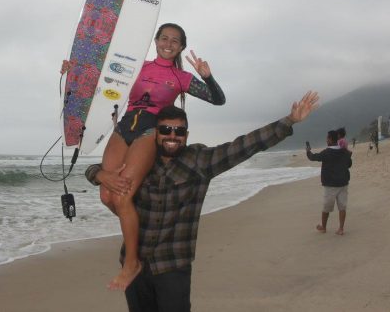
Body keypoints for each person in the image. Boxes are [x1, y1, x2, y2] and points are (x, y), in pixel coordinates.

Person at [85, 91, 319, 311]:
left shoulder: (200, 161)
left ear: (186, 135)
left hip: (173, 266)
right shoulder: (140, 160)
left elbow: (245, 145)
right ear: (155, 133)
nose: (172, 136)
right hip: (134, 263)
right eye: (166, 129)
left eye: (179, 131)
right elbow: (98, 168)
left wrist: (289, 121)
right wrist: (99, 175)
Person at [62, 23, 226, 290]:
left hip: (151, 129)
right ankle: (142, 227)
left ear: (181, 47)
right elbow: (98, 80)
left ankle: (132, 263)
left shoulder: (181, 78)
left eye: (175, 40)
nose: (169, 43)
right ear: (156, 41)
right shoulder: (137, 66)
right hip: (125, 125)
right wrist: (72, 71)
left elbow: (218, 99)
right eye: (164, 38)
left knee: (123, 195)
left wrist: (207, 76)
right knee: (107, 195)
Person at [306, 129, 352, 236]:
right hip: (343, 183)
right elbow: (349, 164)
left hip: (330, 185)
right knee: (342, 207)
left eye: (327, 138)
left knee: (326, 207)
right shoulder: (345, 151)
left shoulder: (326, 153)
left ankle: (323, 227)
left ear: (330, 139)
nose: (326, 140)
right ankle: (341, 229)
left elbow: (313, 157)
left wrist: (308, 151)